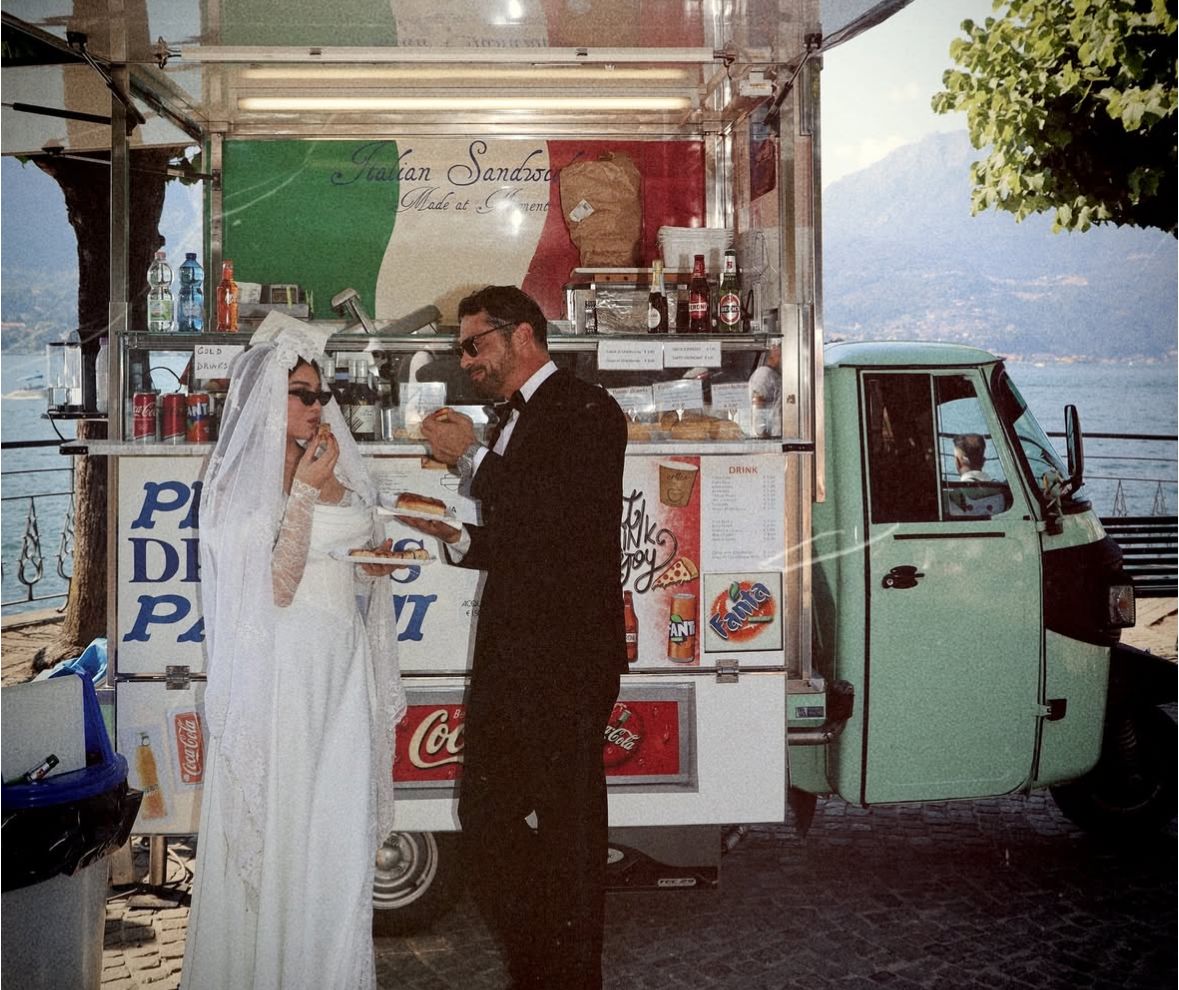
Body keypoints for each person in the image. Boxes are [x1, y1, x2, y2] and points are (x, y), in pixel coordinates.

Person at [397, 285, 627, 990]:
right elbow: (530, 536)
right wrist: (458, 536)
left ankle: (566, 970)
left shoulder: (588, 410)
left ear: (522, 335)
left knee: (566, 827)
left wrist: (470, 455)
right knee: (487, 814)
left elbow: (559, 519)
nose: (467, 361)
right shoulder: (514, 420)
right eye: (461, 348)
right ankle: (540, 960)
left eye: (475, 345)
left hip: (566, 658)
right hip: (514, 654)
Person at [182, 318, 406, 990]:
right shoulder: (234, 487)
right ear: (266, 403)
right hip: (280, 680)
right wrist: (306, 491)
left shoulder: (331, 459)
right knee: (287, 833)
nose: (317, 404)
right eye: (302, 393)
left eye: (318, 391)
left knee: (335, 842)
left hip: (337, 670)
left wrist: (375, 565)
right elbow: (274, 588)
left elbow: (355, 566)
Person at [748, 338, 782, 437]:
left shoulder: (774, 375)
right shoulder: (764, 374)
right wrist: (762, 434)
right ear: (775, 351)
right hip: (769, 439)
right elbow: (757, 406)